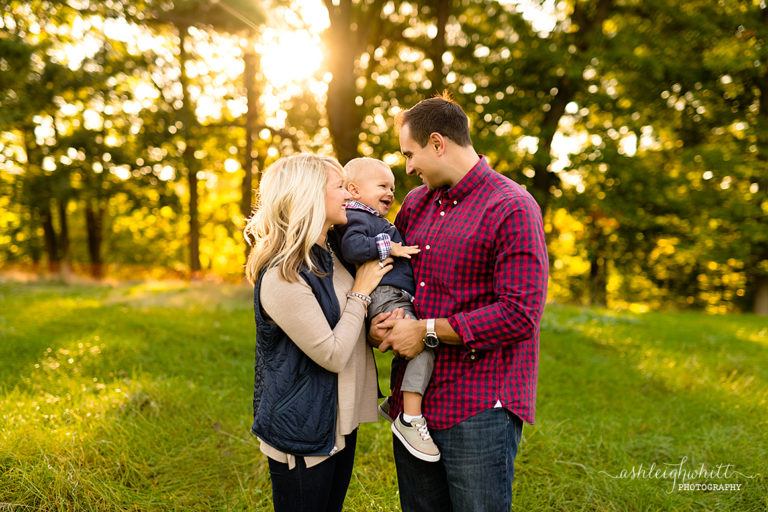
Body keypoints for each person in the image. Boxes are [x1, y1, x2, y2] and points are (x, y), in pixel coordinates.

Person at [371, 94, 549, 512]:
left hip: (479, 404)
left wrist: (425, 330)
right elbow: (395, 276)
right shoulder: (416, 204)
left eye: (410, 154)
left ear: (437, 144)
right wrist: (382, 319)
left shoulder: (512, 206)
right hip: (413, 403)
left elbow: (520, 312)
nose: (408, 167)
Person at [243, 153, 393, 512]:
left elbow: (347, 322)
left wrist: (373, 327)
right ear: (310, 195)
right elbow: (332, 354)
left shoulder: (330, 252)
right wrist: (361, 290)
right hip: (304, 431)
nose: (348, 196)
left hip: (339, 419)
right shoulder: (285, 274)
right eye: (339, 187)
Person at [330, 157, 439, 462]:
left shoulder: (369, 216)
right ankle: (409, 417)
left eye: (391, 187)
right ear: (352, 190)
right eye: (382, 186)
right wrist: (389, 247)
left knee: (413, 343)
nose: (391, 192)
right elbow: (352, 248)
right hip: (385, 294)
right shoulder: (358, 216)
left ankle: (396, 404)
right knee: (424, 344)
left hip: (390, 293)